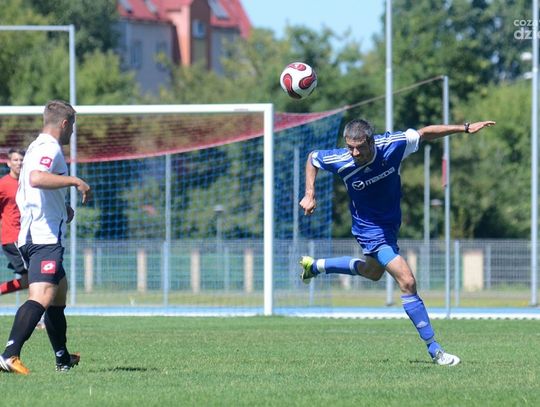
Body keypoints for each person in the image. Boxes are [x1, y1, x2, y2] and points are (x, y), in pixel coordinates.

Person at [299, 118, 496, 366]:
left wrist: (464, 128)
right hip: (370, 230)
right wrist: (310, 193)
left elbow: (424, 133)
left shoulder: (393, 145)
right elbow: (313, 158)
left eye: (360, 147)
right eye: (350, 147)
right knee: (407, 280)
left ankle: (315, 266)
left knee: (372, 272)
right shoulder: (341, 159)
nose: (355, 153)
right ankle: (435, 350)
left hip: (390, 226)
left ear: (371, 142)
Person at [0, 100, 91, 375]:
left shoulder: (34, 147)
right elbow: (37, 179)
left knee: (58, 295)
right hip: (43, 238)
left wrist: (62, 208)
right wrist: (75, 181)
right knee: (42, 294)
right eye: (72, 126)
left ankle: (62, 358)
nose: (72, 132)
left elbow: (29, 189)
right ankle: (9, 354)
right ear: (64, 123)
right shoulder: (50, 147)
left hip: (36, 233)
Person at [0, 148, 28, 295]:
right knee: (36, 277)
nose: (19, 163)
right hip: (13, 238)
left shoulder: (29, 182)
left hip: (28, 237)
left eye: (21, 160)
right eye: (15, 160)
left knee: (28, 280)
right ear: (9, 163)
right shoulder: (3, 184)